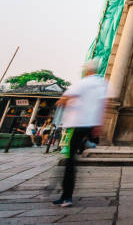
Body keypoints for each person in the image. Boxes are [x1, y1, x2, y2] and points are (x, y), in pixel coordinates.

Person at [53, 59, 108, 207]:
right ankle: (66, 193)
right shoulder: (102, 83)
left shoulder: (83, 83)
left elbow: (63, 99)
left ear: (87, 70)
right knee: (73, 156)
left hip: (78, 123)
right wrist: (98, 124)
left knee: (70, 158)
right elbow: (103, 104)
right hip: (90, 124)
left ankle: (66, 196)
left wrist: (65, 103)